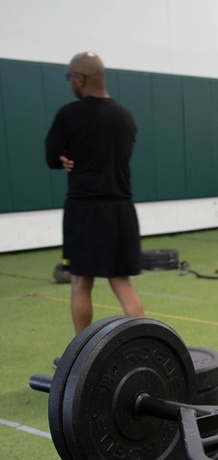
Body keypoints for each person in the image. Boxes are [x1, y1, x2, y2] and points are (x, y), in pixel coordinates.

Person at [45, 52, 144, 335]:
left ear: (81, 78)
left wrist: (62, 159)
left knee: (80, 282)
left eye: (70, 78)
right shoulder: (125, 116)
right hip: (121, 209)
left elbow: (51, 156)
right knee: (121, 282)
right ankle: (142, 344)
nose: (70, 83)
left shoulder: (69, 115)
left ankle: (81, 355)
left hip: (85, 209)